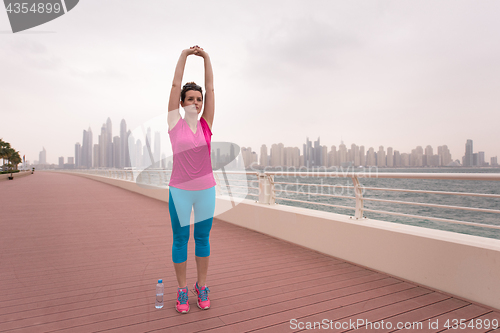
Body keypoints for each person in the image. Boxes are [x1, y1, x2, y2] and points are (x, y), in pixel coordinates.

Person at [167, 46, 216, 313]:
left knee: (203, 238)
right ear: (182, 102)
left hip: (206, 191)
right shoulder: (175, 123)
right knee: (180, 239)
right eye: (191, 99)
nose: (196, 102)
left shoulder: (206, 123)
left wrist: (207, 58)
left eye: (199, 99)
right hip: (180, 192)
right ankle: (183, 289)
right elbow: (175, 83)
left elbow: (211, 89)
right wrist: (185, 55)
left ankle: (202, 286)